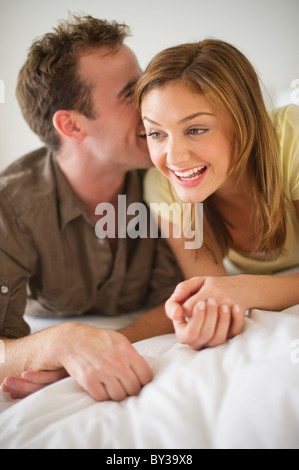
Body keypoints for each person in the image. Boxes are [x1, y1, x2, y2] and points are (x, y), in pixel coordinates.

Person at [0, 15, 183, 401]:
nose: (152, 100)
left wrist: (105, 344)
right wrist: (58, 343)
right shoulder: (11, 208)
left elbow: (186, 296)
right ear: (71, 125)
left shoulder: (175, 172)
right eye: (131, 92)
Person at [134, 39, 299, 351]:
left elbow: (227, 291)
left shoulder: (292, 136)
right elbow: (213, 296)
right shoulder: (160, 185)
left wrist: (242, 290)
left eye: (196, 129)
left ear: (243, 122)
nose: (174, 157)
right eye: (156, 133)